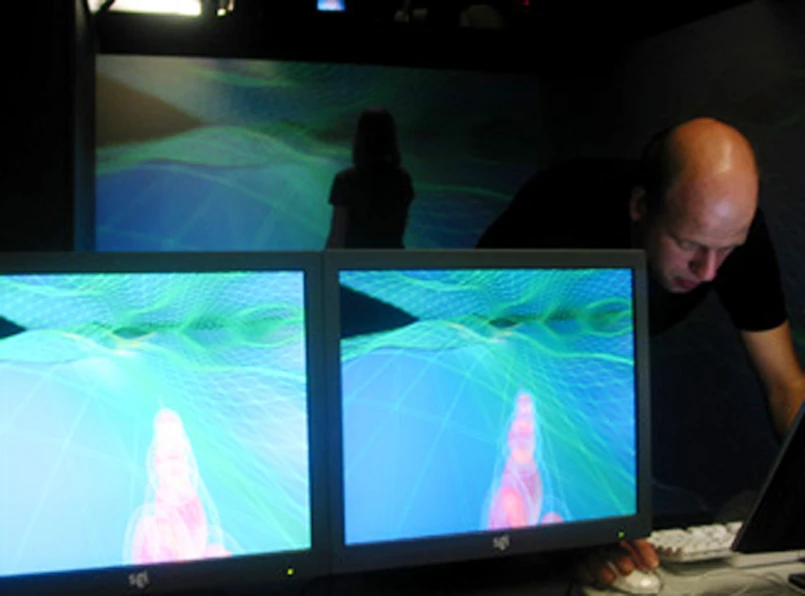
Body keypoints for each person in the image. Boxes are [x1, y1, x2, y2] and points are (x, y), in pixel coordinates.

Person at [476, 117, 805, 588]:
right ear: (640, 207)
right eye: (689, 244)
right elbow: (509, 376)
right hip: (514, 336)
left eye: (727, 250)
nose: (709, 272)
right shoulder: (561, 221)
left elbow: (785, 385)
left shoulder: (730, 230)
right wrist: (580, 536)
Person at [326, 108, 415, 249]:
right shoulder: (402, 179)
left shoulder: (346, 180)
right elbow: (400, 228)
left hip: (354, 259)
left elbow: (337, 237)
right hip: (391, 258)